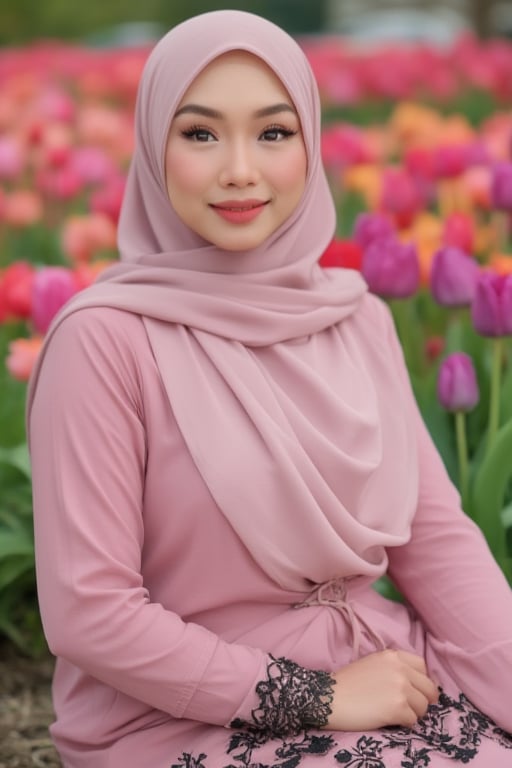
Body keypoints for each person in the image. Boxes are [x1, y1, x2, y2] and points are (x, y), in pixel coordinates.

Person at [27, 9, 512, 768]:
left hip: (388, 677)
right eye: (200, 134)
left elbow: (435, 542)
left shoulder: (358, 320)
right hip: (183, 718)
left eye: (274, 133)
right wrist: (317, 697)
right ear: (154, 149)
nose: (240, 170)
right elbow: (91, 615)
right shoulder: (104, 341)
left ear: (310, 143)